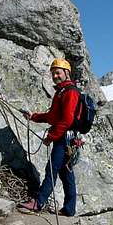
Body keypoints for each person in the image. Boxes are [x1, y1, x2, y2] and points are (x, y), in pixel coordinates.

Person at [19, 58, 80, 216]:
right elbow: (52, 117)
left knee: (52, 169)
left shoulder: (70, 92)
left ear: (66, 73)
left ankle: (38, 202)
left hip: (64, 139)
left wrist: (51, 137)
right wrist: (33, 116)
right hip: (68, 139)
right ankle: (69, 209)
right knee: (65, 173)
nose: (55, 76)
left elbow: (66, 120)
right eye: (53, 74)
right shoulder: (62, 92)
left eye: (58, 73)